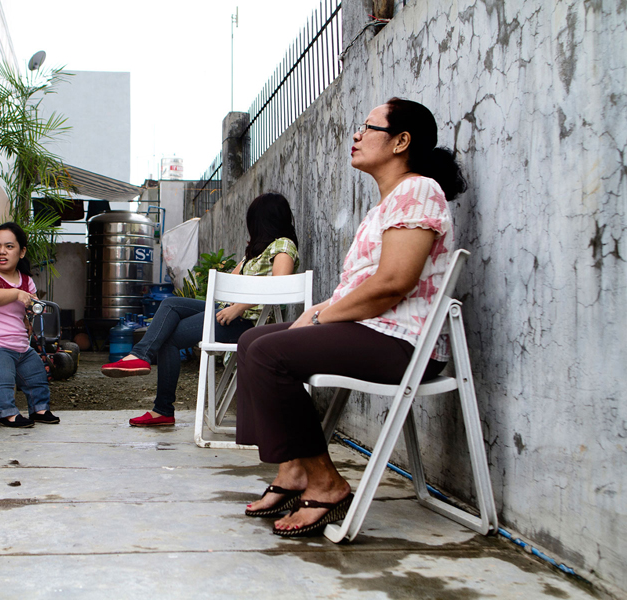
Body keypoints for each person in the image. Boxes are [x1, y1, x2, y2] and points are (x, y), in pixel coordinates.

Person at [236, 98, 467, 537]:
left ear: (401, 141)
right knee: (252, 342)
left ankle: (326, 483)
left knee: (268, 353)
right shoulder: (385, 206)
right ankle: (294, 470)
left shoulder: (419, 190)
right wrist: (317, 312)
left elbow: (393, 283)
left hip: (402, 341)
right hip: (370, 330)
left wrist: (320, 321)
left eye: (368, 127)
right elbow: (357, 290)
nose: (356, 135)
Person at [101, 192, 301, 427]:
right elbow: (231, 283)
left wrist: (238, 307)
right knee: (170, 304)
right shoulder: (258, 251)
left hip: (248, 322)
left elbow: (277, 287)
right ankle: (140, 356)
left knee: (169, 338)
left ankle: (162, 409)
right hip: (228, 311)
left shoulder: (284, 246)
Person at [0, 222, 59, 428]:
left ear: (22, 252)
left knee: (37, 377)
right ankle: (7, 413)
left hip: (21, 346)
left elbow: (32, 304)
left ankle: (39, 409)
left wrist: (32, 312)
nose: (2, 252)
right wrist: (18, 294)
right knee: (2, 380)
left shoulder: (26, 280)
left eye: (9, 246)